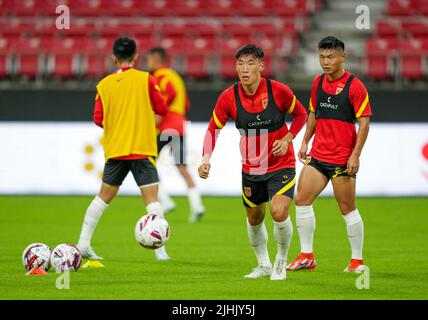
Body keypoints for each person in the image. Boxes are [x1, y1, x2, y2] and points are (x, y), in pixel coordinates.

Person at [198, 44, 307, 280]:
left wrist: (288, 139)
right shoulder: (229, 96)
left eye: (250, 63)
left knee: (278, 212)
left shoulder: (279, 91)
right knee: (254, 218)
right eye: (240, 64)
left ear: (261, 65)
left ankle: (280, 261)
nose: (244, 69)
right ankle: (263, 264)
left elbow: (301, 114)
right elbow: (213, 128)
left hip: (281, 165)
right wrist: (206, 158)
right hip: (251, 168)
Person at [76, 37, 171, 261]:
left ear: (114, 58)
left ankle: (83, 244)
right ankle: (161, 251)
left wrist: (118, 121)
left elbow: (98, 119)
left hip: (116, 150)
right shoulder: (145, 79)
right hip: (141, 148)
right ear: (136, 57)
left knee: (101, 199)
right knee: (152, 201)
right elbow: (162, 107)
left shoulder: (104, 84)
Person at [287, 36, 372, 273]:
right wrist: (305, 141)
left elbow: (364, 124)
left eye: (331, 57)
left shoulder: (355, 86)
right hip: (318, 156)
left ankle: (357, 261)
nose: (326, 62)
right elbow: (314, 114)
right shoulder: (318, 82)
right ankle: (307, 256)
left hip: (342, 158)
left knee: (347, 208)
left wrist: (355, 155)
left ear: (343, 56)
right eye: (322, 57)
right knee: (301, 200)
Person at [147, 47, 205, 223]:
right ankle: (197, 206)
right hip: (179, 126)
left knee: (147, 161)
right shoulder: (177, 77)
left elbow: (168, 94)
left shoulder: (160, 75)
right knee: (181, 167)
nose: (148, 63)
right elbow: (185, 104)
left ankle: (165, 201)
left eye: (149, 59)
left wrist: (157, 117)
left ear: (156, 60)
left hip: (165, 126)